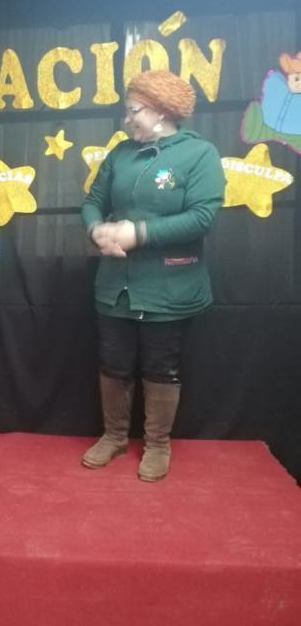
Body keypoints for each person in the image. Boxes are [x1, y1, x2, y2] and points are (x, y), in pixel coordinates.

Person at [81, 70, 225, 481]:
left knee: (162, 366)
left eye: (134, 111)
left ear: (161, 111)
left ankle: (158, 444)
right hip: (116, 286)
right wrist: (96, 230)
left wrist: (137, 233)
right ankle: (114, 436)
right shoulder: (120, 154)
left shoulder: (200, 154)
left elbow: (202, 218)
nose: (127, 119)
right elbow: (92, 201)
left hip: (169, 288)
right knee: (113, 363)